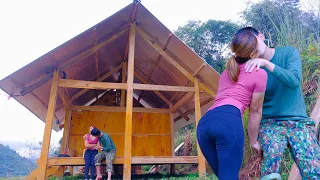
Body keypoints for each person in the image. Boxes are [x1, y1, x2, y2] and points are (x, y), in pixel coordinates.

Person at [241, 27, 320, 179]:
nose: (252, 48)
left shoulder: (289, 52)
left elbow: (294, 81)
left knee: (314, 169)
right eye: (247, 47)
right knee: (272, 164)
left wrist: (266, 64)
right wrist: (253, 138)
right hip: (271, 123)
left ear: (261, 37)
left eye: (253, 42)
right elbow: (253, 107)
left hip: (299, 122)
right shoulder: (251, 68)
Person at [196, 30, 267, 179]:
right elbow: (255, 111)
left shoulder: (227, 72)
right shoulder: (260, 73)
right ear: (254, 54)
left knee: (225, 177)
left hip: (204, 125)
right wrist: (253, 141)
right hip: (227, 123)